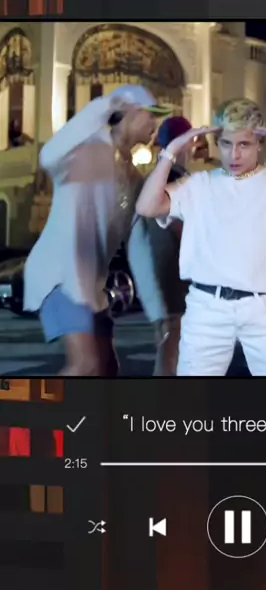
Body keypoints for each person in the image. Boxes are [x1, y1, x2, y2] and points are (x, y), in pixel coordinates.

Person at [136, 98, 266, 376]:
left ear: (259, 144)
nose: (234, 155)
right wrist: (170, 152)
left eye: (244, 144)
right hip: (208, 306)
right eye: (226, 144)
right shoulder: (199, 184)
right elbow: (146, 207)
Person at [23, 85, 168, 376]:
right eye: (150, 115)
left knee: (107, 367)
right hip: (59, 275)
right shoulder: (86, 150)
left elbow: (138, 249)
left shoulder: (134, 178)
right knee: (86, 365)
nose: (155, 124)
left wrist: (157, 314)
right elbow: (48, 155)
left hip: (91, 284)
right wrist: (105, 106)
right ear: (128, 112)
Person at [130, 116, 194, 376]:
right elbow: (179, 227)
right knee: (172, 344)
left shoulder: (160, 176)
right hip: (171, 272)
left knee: (173, 344)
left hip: (164, 271)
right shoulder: (172, 177)